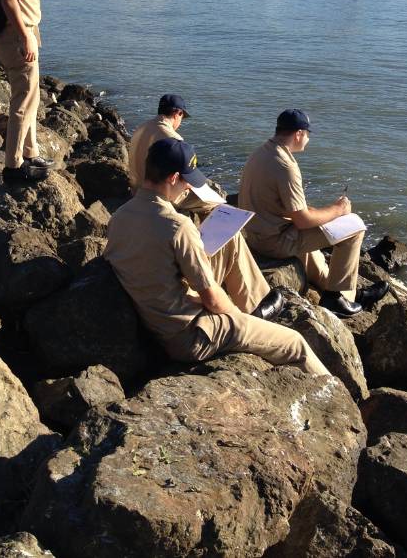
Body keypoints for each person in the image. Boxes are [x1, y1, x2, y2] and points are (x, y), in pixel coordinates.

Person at [105, 138, 329, 373]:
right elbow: (212, 299)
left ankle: (257, 303)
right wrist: (239, 320)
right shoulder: (176, 226)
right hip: (190, 335)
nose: (189, 187)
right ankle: (335, 399)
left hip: (158, 319)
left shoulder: (120, 216)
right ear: (173, 178)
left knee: (229, 239)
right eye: (187, 181)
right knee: (295, 343)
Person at [239, 109, 388, 318]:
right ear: (299, 134)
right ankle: (334, 298)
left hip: (256, 235)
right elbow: (301, 220)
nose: (308, 139)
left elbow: (286, 208)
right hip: (274, 242)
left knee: (313, 253)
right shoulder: (286, 166)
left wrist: (323, 214)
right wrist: (339, 210)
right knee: (355, 226)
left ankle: (351, 295)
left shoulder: (261, 153)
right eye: (308, 134)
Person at [0, 0, 58, 184]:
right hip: (18, 40)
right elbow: (10, 1)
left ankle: (29, 153)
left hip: (20, 38)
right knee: (23, 101)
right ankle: (14, 165)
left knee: (30, 98)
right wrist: (26, 36)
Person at [127, 93, 190, 189]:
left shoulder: (141, 127)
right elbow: (181, 179)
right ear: (178, 114)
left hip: (135, 189)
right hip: (157, 195)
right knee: (215, 201)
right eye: (182, 117)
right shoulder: (174, 140)